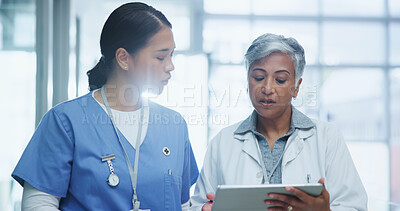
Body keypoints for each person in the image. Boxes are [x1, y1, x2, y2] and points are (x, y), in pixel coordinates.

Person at [12, 2, 198, 211]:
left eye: (172, 55)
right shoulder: (65, 122)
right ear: (123, 58)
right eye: (161, 57)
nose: (170, 66)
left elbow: (183, 205)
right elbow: (39, 205)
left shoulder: (174, 126)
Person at [190, 33, 367, 211]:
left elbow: (354, 206)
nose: (267, 88)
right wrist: (205, 209)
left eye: (280, 80)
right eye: (258, 77)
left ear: (296, 87)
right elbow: (197, 205)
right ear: (247, 81)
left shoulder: (327, 138)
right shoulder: (223, 142)